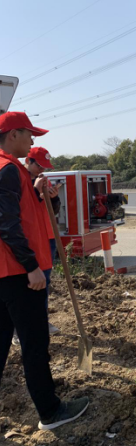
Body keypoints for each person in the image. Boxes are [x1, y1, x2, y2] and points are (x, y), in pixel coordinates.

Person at [0, 112, 89, 430]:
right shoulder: (8, 169)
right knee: (35, 345)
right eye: (29, 134)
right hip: (18, 276)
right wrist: (32, 267)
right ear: (12, 134)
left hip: (8, 274)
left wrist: (47, 199)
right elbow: (7, 225)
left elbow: (27, 216)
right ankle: (50, 412)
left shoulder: (15, 171)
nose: (33, 140)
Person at [25, 147, 60, 335]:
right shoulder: (17, 180)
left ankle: (41, 320)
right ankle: (18, 327)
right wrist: (34, 190)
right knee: (24, 283)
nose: (42, 170)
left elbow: (53, 211)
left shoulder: (45, 182)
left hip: (48, 236)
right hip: (29, 238)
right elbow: (21, 209)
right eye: (39, 165)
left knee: (44, 281)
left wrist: (53, 199)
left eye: (44, 166)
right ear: (28, 162)